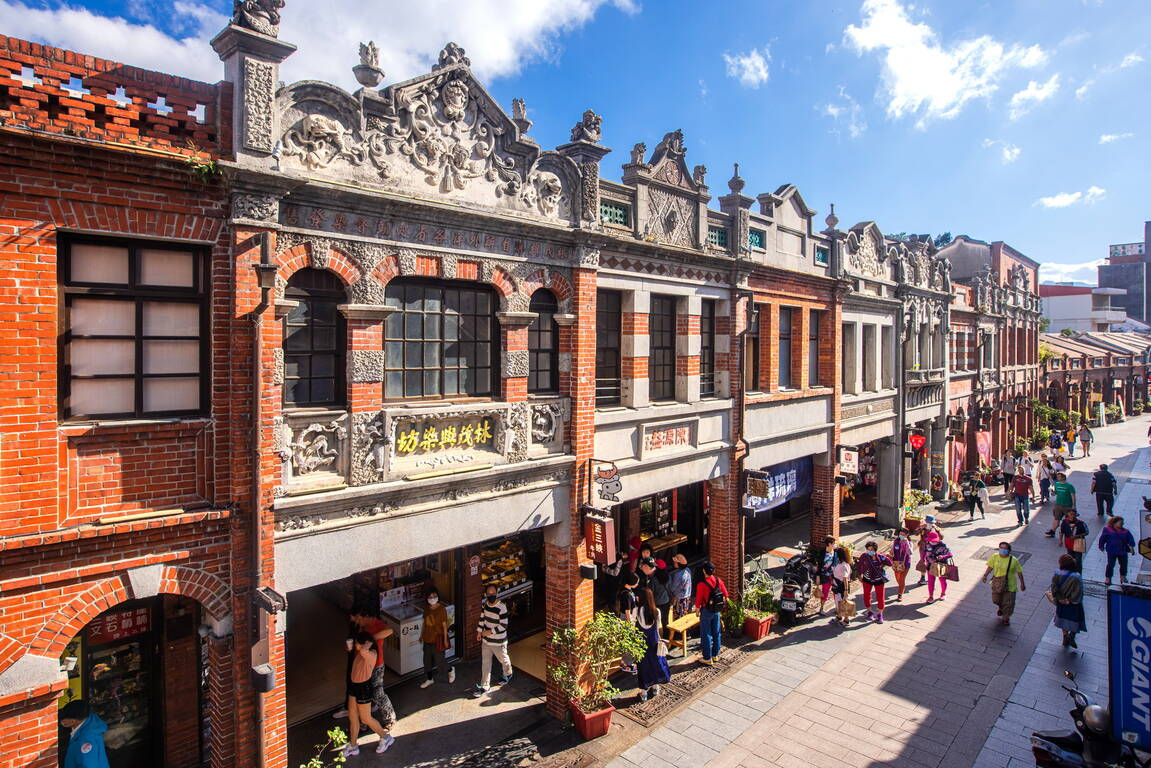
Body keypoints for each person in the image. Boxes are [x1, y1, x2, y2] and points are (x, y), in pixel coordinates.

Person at [343, 631, 396, 756]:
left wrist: (368, 640)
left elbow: (363, 650)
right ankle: (353, 745)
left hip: (363, 689)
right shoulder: (362, 652)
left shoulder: (371, 654)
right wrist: (353, 647)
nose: (356, 645)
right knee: (353, 717)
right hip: (354, 687)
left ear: (365, 644)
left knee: (365, 718)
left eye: (357, 643)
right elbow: (360, 650)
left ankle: (386, 737)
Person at [348, 609, 395, 727]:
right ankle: (365, 721)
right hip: (363, 667)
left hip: (376, 665)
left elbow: (390, 630)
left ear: (367, 616)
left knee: (378, 693)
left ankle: (390, 719)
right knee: (366, 693)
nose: (358, 622)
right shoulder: (361, 627)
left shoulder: (376, 624)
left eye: (359, 619)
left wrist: (371, 639)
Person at [472, 584, 513, 698]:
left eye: (493, 593)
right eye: (489, 593)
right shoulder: (485, 606)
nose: (491, 595)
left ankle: (508, 673)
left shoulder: (502, 607)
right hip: (486, 641)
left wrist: (489, 632)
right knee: (486, 663)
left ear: (497, 593)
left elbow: (503, 625)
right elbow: (482, 619)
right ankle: (485, 685)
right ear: (486, 594)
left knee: (503, 659)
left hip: (499, 641)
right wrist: (479, 632)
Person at [634, 588, 671, 701]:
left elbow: (632, 624)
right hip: (654, 641)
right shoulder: (656, 611)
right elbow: (659, 627)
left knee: (643, 666)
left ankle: (644, 692)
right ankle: (656, 687)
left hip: (641, 642)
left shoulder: (636, 610)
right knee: (656, 664)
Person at [981, 542, 1026, 625]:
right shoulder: (995, 557)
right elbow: (990, 566)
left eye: (1005, 548)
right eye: (1001, 548)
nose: (1002, 550)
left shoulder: (1013, 560)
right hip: (997, 583)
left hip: (1010, 585)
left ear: (1009, 550)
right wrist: (985, 575)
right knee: (996, 600)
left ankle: (1006, 617)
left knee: (1009, 603)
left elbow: (1019, 572)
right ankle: (1002, 608)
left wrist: (1022, 584)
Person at [693, 561, 728, 665]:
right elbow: (726, 595)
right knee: (716, 632)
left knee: (706, 634)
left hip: (706, 611)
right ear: (714, 571)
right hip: (716, 610)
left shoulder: (701, 584)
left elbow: (698, 600)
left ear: (704, 571)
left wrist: (697, 611)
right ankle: (715, 655)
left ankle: (707, 658)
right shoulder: (718, 581)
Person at [418, 588, 453, 688]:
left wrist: (446, 639)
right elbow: (425, 623)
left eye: (434, 596)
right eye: (430, 597)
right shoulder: (427, 609)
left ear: (438, 597)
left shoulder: (441, 609)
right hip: (427, 638)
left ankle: (450, 670)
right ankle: (429, 679)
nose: (432, 599)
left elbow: (445, 625)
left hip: (438, 638)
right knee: (427, 660)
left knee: (440, 660)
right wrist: (421, 635)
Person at [59, 701, 110, 768]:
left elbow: (88, 765)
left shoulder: (85, 740)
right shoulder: (89, 719)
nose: (62, 722)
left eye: (64, 720)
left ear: (74, 721)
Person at [1051, 554, 1086, 649]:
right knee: (1076, 619)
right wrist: (1070, 600)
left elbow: (1054, 587)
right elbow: (1078, 591)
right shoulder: (1077, 576)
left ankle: (1065, 635)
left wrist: (1059, 598)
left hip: (1061, 602)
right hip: (1073, 604)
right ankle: (1072, 635)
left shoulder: (1057, 573)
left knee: (1062, 618)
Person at [856, 541, 892, 623]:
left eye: (871, 549)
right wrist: (859, 575)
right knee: (866, 596)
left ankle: (880, 614)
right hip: (867, 579)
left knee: (880, 597)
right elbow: (859, 566)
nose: (869, 551)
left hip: (878, 579)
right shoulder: (864, 556)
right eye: (868, 549)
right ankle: (869, 611)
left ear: (875, 550)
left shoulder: (880, 557)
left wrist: (887, 557)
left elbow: (889, 563)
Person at [1099, 515, 1136, 586]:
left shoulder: (1126, 531)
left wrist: (1132, 548)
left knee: (1123, 565)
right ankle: (1108, 578)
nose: (1122, 524)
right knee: (1110, 564)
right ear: (1114, 523)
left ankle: (1123, 577)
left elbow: (1131, 540)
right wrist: (1101, 546)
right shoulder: (1107, 529)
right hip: (1111, 550)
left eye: (1122, 523)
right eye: (1120, 522)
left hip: (1122, 551)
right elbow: (1102, 538)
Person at [923, 531, 953, 603]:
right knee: (930, 581)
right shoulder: (927, 545)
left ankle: (943, 593)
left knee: (942, 580)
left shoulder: (943, 545)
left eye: (934, 541)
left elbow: (950, 554)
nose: (933, 542)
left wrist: (943, 556)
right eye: (931, 541)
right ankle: (930, 596)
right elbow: (924, 553)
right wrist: (924, 560)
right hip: (930, 565)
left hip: (941, 565)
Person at [1046, 472, 1076, 539]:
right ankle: (1052, 531)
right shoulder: (1057, 484)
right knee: (1056, 518)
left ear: (1063, 477)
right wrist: (1051, 492)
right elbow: (1055, 494)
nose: (1058, 478)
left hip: (1067, 505)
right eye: (1057, 476)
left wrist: (1074, 506)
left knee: (1069, 520)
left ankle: (1070, 533)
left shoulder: (1069, 486)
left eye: (1059, 477)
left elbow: (1073, 496)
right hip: (1058, 504)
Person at [831, 547, 854, 627]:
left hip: (841, 587)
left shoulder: (843, 565)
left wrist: (846, 591)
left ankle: (846, 620)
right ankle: (839, 616)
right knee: (838, 602)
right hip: (837, 586)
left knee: (843, 604)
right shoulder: (841, 564)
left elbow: (845, 579)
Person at [649, 558, 673, 632]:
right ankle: (666, 635)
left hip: (657, 603)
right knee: (665, 620)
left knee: (656, 621)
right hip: (666, 601)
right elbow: (670, 588)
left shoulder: (654, 579)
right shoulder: (669, 577)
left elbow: (651, 591)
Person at [916, 517, 941, 586]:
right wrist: (920, 528)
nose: (930, 524)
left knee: (932, 561)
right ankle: (922, 578)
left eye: (931, 523)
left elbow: (941, 537)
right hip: (923, 547)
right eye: (928, 522)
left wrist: (937, 530)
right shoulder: (922, 528)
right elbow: (915, 533)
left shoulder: (936, 529)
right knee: (923, 561)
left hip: (933, 548)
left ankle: (931, 577)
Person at [667, 553, 693, 619]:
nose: (674, 563)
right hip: (687, 597)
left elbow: (673, 588)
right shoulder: (688, 570)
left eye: (675, 562)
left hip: (679, 599)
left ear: (679, 564)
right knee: (684, 614)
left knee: (678, 618)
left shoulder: (677, 575)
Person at [890, 528, 913, 602]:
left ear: (907, 535)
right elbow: (892, 551)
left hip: (905, 563)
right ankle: (902, 587)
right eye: (900, 534)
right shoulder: (895, 541)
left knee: (902, 578)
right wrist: (891, 552)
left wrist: (906, 544)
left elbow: (910, 553)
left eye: (903, 534)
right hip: (896, 563)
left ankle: (900, 594)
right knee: (898, 578)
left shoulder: (909, 543)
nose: (901, 536)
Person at [816, 536, 837, 613]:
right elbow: (819, 565)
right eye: (833, 543)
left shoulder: (835, 552)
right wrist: (818, 576)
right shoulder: (822, 552)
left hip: (834, 575)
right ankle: (821, 608)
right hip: (825, 576)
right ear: (829, 544)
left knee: (836, 591)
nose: (835, 544)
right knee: (825, 592)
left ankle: (837, 607)